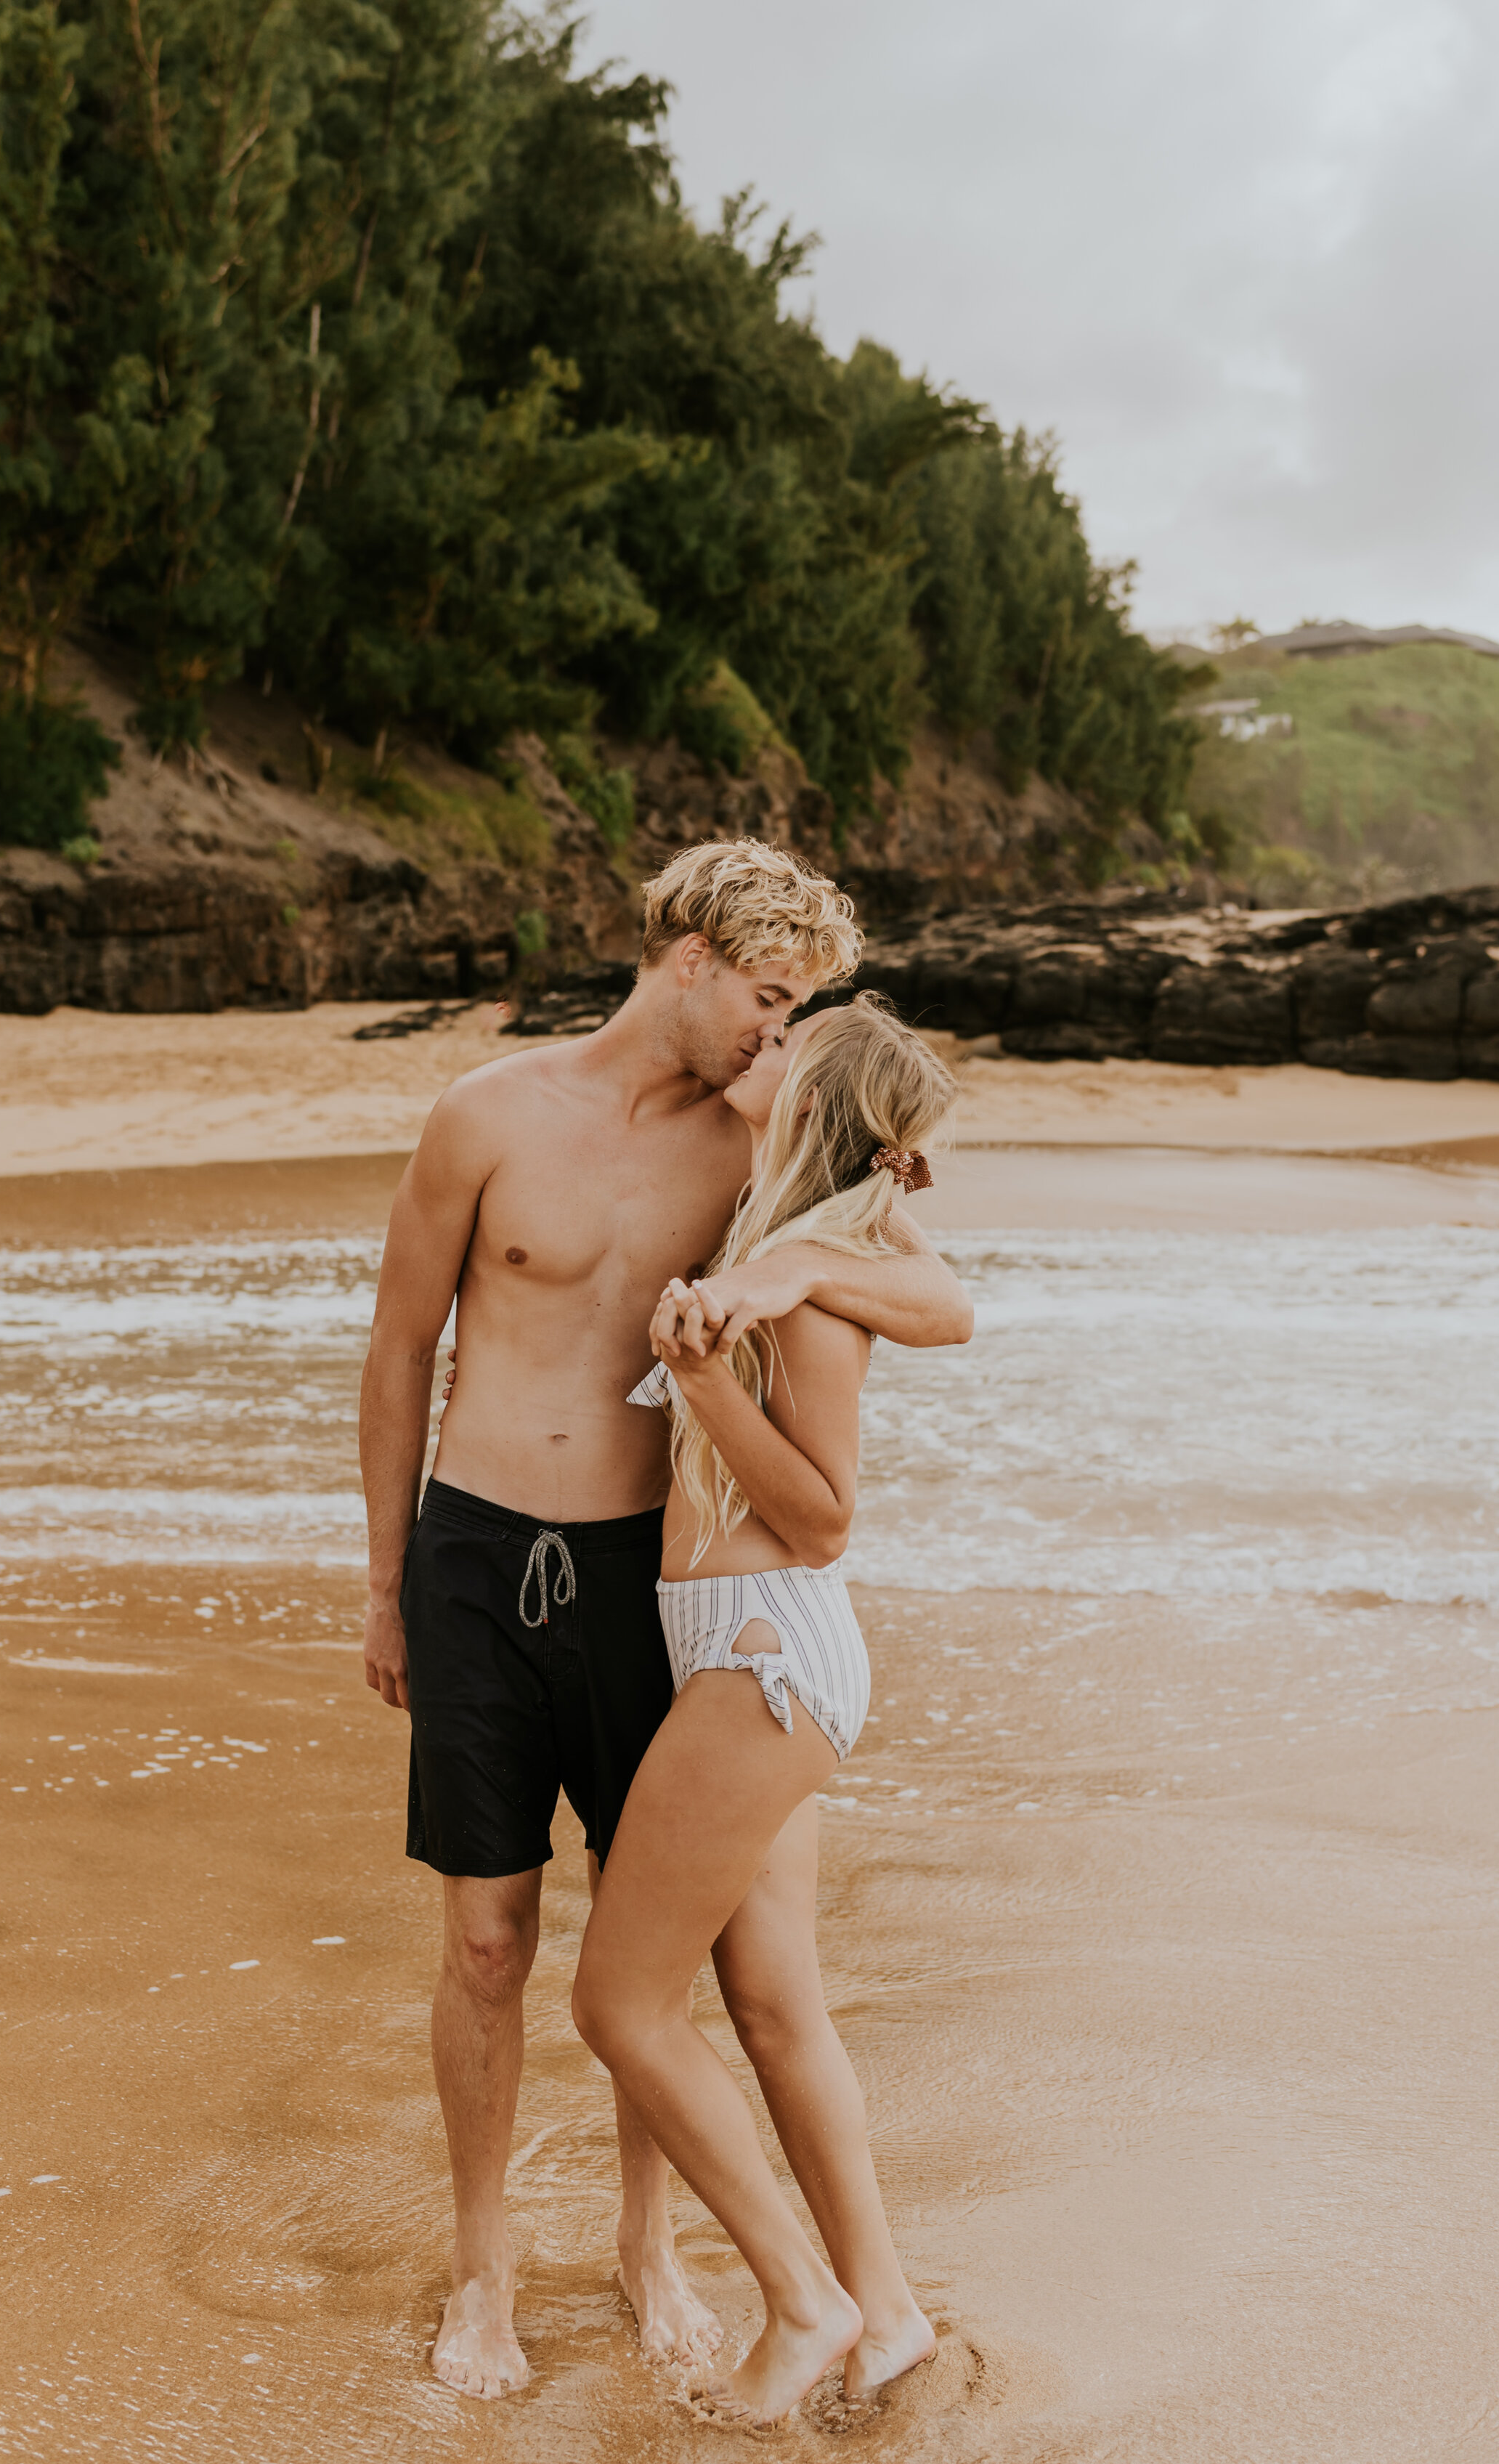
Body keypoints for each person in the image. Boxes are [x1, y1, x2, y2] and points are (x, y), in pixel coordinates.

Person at [358, 840, 973, 2398]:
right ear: (686, 956)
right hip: (477, 1558)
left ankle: (654, 2247)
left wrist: (779, 1280)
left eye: (800, 1013)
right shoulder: (485, 1115)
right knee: (487, 1941)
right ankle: (481, 2272)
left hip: (652, 1578)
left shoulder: (756, 1148)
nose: (780, 1036)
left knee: (660, 1942)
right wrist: (385, 1584)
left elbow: (937, 1299)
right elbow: (398, 1348)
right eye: (768, 999)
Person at [572, 995, 956, 2425]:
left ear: (814, 1098)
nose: (764, 1039)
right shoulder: (789, 1236)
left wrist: (696, 1380)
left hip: (761, 1649)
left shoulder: (809, 1263)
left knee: (617, 2001)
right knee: (773, 2004)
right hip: (739, 1654)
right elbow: (943, 1291)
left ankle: (802, 2303)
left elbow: (820, 1517)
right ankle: (890, 2315)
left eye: (793, 1038)